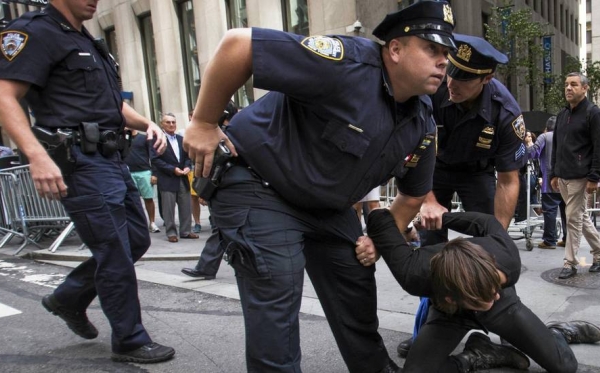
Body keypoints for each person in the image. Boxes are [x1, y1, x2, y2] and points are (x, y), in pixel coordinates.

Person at [182, 1, 457, 371]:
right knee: (277, 292)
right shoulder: (346, 63)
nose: (444, 61)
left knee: (355, 286)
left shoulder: (420, 122)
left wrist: (379, 237)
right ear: (395, 49)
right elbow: (238, 44)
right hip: (260, 185)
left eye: (446, 54)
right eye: (432, 50)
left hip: (327, 207)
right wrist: (202, 122)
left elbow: (411, 195)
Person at [0, 0, 175, 363]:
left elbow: (112, 105)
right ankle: (129, 340)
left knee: (136, 240)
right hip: (80, 160)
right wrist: (36, 155)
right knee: (114, 253)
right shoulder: (34, 31)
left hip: (111, 158)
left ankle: (68, 298)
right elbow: (5, 96)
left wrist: (147, 123)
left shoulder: (89, 40)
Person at [396, 33, 527, 357]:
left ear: (487, 78)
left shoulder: (505, 113)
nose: (452, 81)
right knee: (432, 250)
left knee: (494, 253)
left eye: (465, 78)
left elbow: (509, 180)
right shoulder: (433, 88)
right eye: (452, 70)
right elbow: (413, 149)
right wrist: (426, 200)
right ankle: (427, 329)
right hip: (432, 168)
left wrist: (497, 235)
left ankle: (510, 330)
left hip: (477, 172)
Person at [360, 208, 600, 372]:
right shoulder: (414, 274)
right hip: (449, 315)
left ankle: (557, 334)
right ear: (449, 297)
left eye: (493, 287)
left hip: (504, 308)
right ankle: (477, 355)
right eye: (482, 299)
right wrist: (384, 237)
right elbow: (379, 217)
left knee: (565, 367)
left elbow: (487, 222)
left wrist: (443, 217)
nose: (492, 295)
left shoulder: (507, 262)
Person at [181, 101, 239, 280]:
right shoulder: (225, 133)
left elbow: (216, 166)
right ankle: (207, 266)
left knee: (223, 229)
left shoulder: (226, 135)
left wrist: (206, 192)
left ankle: (207, 266)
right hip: (225, 191)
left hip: (229, 192)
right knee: (221, 230)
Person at [551, 72, 600, 279]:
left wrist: (594, 177)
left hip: (581, 177)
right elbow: (556, 146)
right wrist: (553, 174)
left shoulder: (593, 113)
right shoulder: (562, 114)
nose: (568, 88)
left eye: (573, 84)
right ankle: (599, 253)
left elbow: (599, 147)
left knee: (572, 218)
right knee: (580, 217)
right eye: (566, 84)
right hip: (562, 177)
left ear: (585, 88)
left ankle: (569, 262)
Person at [152, 113, 198, 243]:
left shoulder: (181, 139)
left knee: (186, 206)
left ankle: (186, 231)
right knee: (168, 208)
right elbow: (155, 159)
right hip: (167, 179)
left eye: (173, 122)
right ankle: (171, 232)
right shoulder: (157, 139)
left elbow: (188, 156)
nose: (171, 125)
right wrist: (172, 169)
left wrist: (188, 166)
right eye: (168, 122)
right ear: (162, 124)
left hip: (182, 177)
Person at [527, 116, 567, 248]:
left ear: (547, 127)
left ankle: (550, 240)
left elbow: (533, 154)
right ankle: (567, 239)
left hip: (550, 182)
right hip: (568, 180)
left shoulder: (544, 137)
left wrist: (528, 145)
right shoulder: (567, 136)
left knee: (550, 210)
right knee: (567, 211)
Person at [124, 129, 160, 233]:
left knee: (148, 198)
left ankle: (152, 222)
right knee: (132, 200)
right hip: (128, 172)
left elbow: (152, 156)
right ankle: (138, 224)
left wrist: (154, 173)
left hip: (144, 171)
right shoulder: (123, 138)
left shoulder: (144, 138)